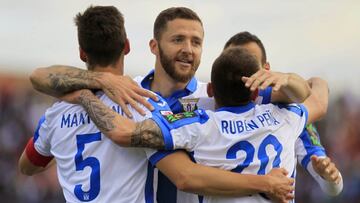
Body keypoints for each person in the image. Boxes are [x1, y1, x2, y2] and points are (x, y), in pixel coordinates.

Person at [20, 6, 297, 203]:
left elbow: (298, 104)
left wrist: (312, 149)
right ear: (151, 46)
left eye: (196, 42)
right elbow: (184, 175)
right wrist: (102, 81)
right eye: (178, 39)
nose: (188, 48)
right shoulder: (136, 98)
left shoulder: (216, 95)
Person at [62, 47, 328, 202]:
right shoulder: (286, 117)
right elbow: (318, 92)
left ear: (210, 90)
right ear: (258, 92)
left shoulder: (200, 125)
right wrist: (287, 77)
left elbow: (122, 132)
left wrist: (86, 95)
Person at [223, 31, 343, 195]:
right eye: (234, 63)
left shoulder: (288, 112)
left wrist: (329, 177)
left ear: (266, 70)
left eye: (249, 63)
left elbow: (331, 185)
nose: (242, 71)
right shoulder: (205, 107)